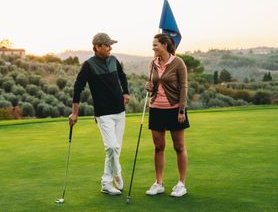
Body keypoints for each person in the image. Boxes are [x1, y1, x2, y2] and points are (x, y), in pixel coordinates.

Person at [69, 32, 130, 196]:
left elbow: (122, 76)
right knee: (111, 147)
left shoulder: (113, 60)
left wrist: (126, 93)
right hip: (103, 113)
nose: (110, 48)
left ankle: (106, 183)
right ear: (97, 47)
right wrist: (75, 113)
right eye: (107, 45)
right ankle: (116, 173)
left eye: (111, 45)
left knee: (115, 149)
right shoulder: (89, 65)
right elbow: (77, 88)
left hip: (120, 111)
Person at [144, 33, 190, 197]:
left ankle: (181, 184)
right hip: (156, 108)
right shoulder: (153, 63)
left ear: (164, 45)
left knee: (179, 147)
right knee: (158, 147)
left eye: (155, 44)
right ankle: (159, 183)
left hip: (175, 109)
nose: (153, 47)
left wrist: (182, 110)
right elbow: (153, 86)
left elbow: (184, 87)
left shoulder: (178, 63)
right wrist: (149, 87)